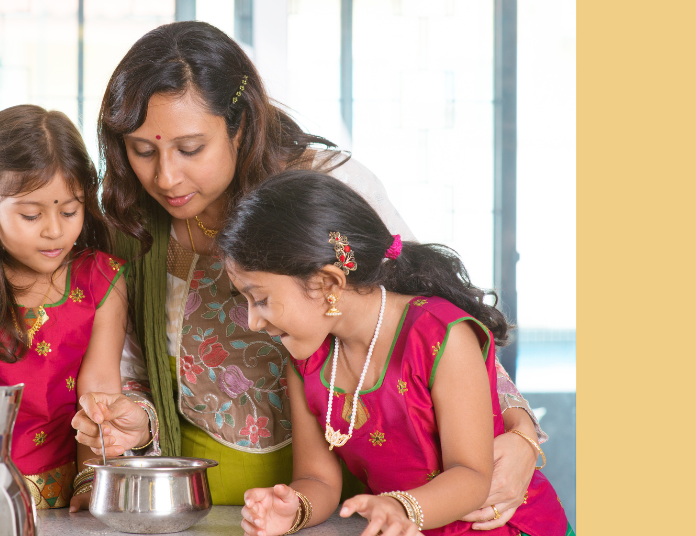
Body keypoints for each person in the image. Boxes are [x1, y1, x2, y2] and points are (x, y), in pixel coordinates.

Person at [72, 21, 545, 526]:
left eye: (190, 149)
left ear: (240, 125)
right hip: (210, 500)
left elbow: (427, 312)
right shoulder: (130, 223)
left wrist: (521, 435)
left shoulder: (324, 189)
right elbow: (135, 373)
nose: (165, 177)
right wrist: (133, 426)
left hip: (365, 501)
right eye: (143, 150)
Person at [222, 170, 571, 536]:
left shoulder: (439, 336)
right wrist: (293, 508)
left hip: (506, 527)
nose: (252, 322)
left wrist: (398, 507)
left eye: (260, 299)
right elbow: (317, 478)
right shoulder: (306, 362)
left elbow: (472, 476)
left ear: (328, 283)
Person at [0, 104, 129, 511]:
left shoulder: (102, 280)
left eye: (70, 210)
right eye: (31, 214)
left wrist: (92, 483)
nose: (55, 229)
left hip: (71, 493)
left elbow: (99, 397)